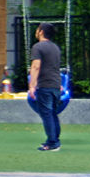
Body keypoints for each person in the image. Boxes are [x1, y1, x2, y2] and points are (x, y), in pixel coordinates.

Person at [28, 22, 63, 152]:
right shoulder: (55, 47)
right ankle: (55, 140)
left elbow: (36, 66)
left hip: (45, 85)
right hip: (55, 84)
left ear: (41, 31)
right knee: (53, 113)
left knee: (46, 114)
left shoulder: (38, 47)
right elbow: (54, 67)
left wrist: (32, 86)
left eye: (38, 29)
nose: (36, 31)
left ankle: (53, 143)